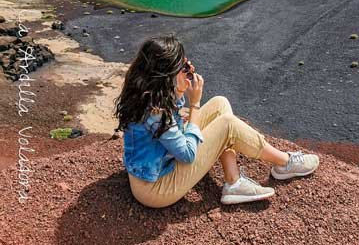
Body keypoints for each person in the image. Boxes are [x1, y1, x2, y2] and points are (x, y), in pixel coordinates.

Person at [113, 34, 320, 207]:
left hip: (153, 169)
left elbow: (166, 129)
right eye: (182, 66)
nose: (188, 68)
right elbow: (187, 154)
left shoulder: (148, 93)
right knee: (227, 124)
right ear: (165, 73)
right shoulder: (156, 111)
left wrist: (179, 91)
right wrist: (194, 104)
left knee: (220, 103)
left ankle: (233, 181)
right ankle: (284, 163)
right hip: (156, 189)